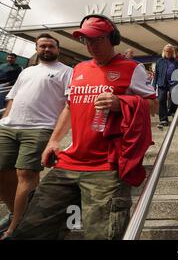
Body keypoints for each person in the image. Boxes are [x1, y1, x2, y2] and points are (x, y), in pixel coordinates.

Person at [12, 14, 158, 240]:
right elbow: (69, 107)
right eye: (86, 40)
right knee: (31, 229)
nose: (90, 45)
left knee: (104, 235)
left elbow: (154, 105)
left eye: (96, 39)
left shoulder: (132, 68)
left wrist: (122, 103)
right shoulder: (78, 68)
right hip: (69, 162)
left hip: (106, 167)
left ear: (112, 38)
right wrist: (53, 140)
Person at [0, 34, 72, 239]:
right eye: (42, 46)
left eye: (51, 46)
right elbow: (12, 97)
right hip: (8, 127)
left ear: (58, 49)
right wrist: (4, 119)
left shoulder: (68, 72)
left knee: (26, 174)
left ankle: (16, 227)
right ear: (36, 48)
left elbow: (69, 106)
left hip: (40, 128)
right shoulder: (27, 71)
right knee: (2, 173)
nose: (46, 49)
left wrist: (55, 136)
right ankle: (17, 212)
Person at [152, 44, 178, 128]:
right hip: (162, 83)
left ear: (173, 52)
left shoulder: (177, 62)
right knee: (161, 100)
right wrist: (153, 85)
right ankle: (163, 119)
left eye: (170, 51)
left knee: (174, 96)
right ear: (164, 52)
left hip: (174, 83)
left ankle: (171, 111)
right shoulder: (159, 61)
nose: (168, 52)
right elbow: (156, 74)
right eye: (167, 51)